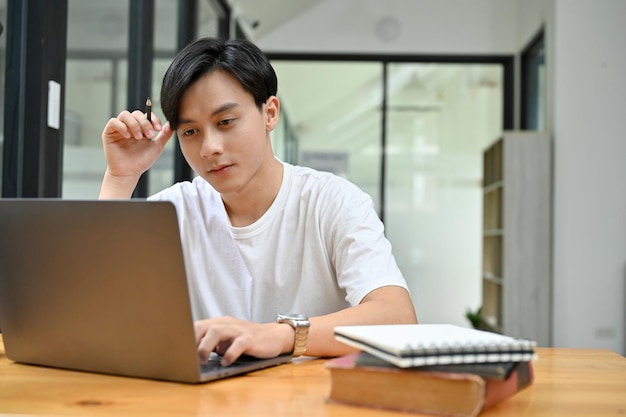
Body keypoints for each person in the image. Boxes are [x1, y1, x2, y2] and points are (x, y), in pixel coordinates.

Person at [99, 37, 417, 366]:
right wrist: (120, 179)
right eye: (190, 132)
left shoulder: (332, 201)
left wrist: (279, 335)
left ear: (269, 113)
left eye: (225, 122)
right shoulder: (174, 211)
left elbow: (397, 317)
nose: (210, 148)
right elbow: (96, 303)